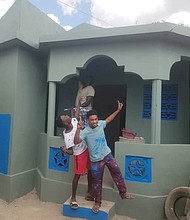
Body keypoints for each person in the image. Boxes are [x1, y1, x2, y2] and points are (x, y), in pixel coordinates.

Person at [74, 100, 134, 213]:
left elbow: (108, 119)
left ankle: (123, 193)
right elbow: (76, 141)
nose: (95, 121)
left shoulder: (100, 124)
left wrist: (118, 110)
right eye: (92, 120)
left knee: (117, 172)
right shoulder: (85, 131)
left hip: (107, 154)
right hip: (96, 160)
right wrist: (78, 129)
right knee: (97, 182)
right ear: (88, 120)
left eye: (96, 119)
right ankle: (97, 203)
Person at [56, 101, 94, 209]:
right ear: (65, 123)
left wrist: (78, 104)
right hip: (79, 154)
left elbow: (76, 115)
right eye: (66, 117)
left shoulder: (73, 121)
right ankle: (73, 198)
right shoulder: (67, 135)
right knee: (77, 176)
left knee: (90, 170)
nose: (68, 116)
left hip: (86, 149)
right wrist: (65, 151)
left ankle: (89, 192)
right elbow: (71, 151)